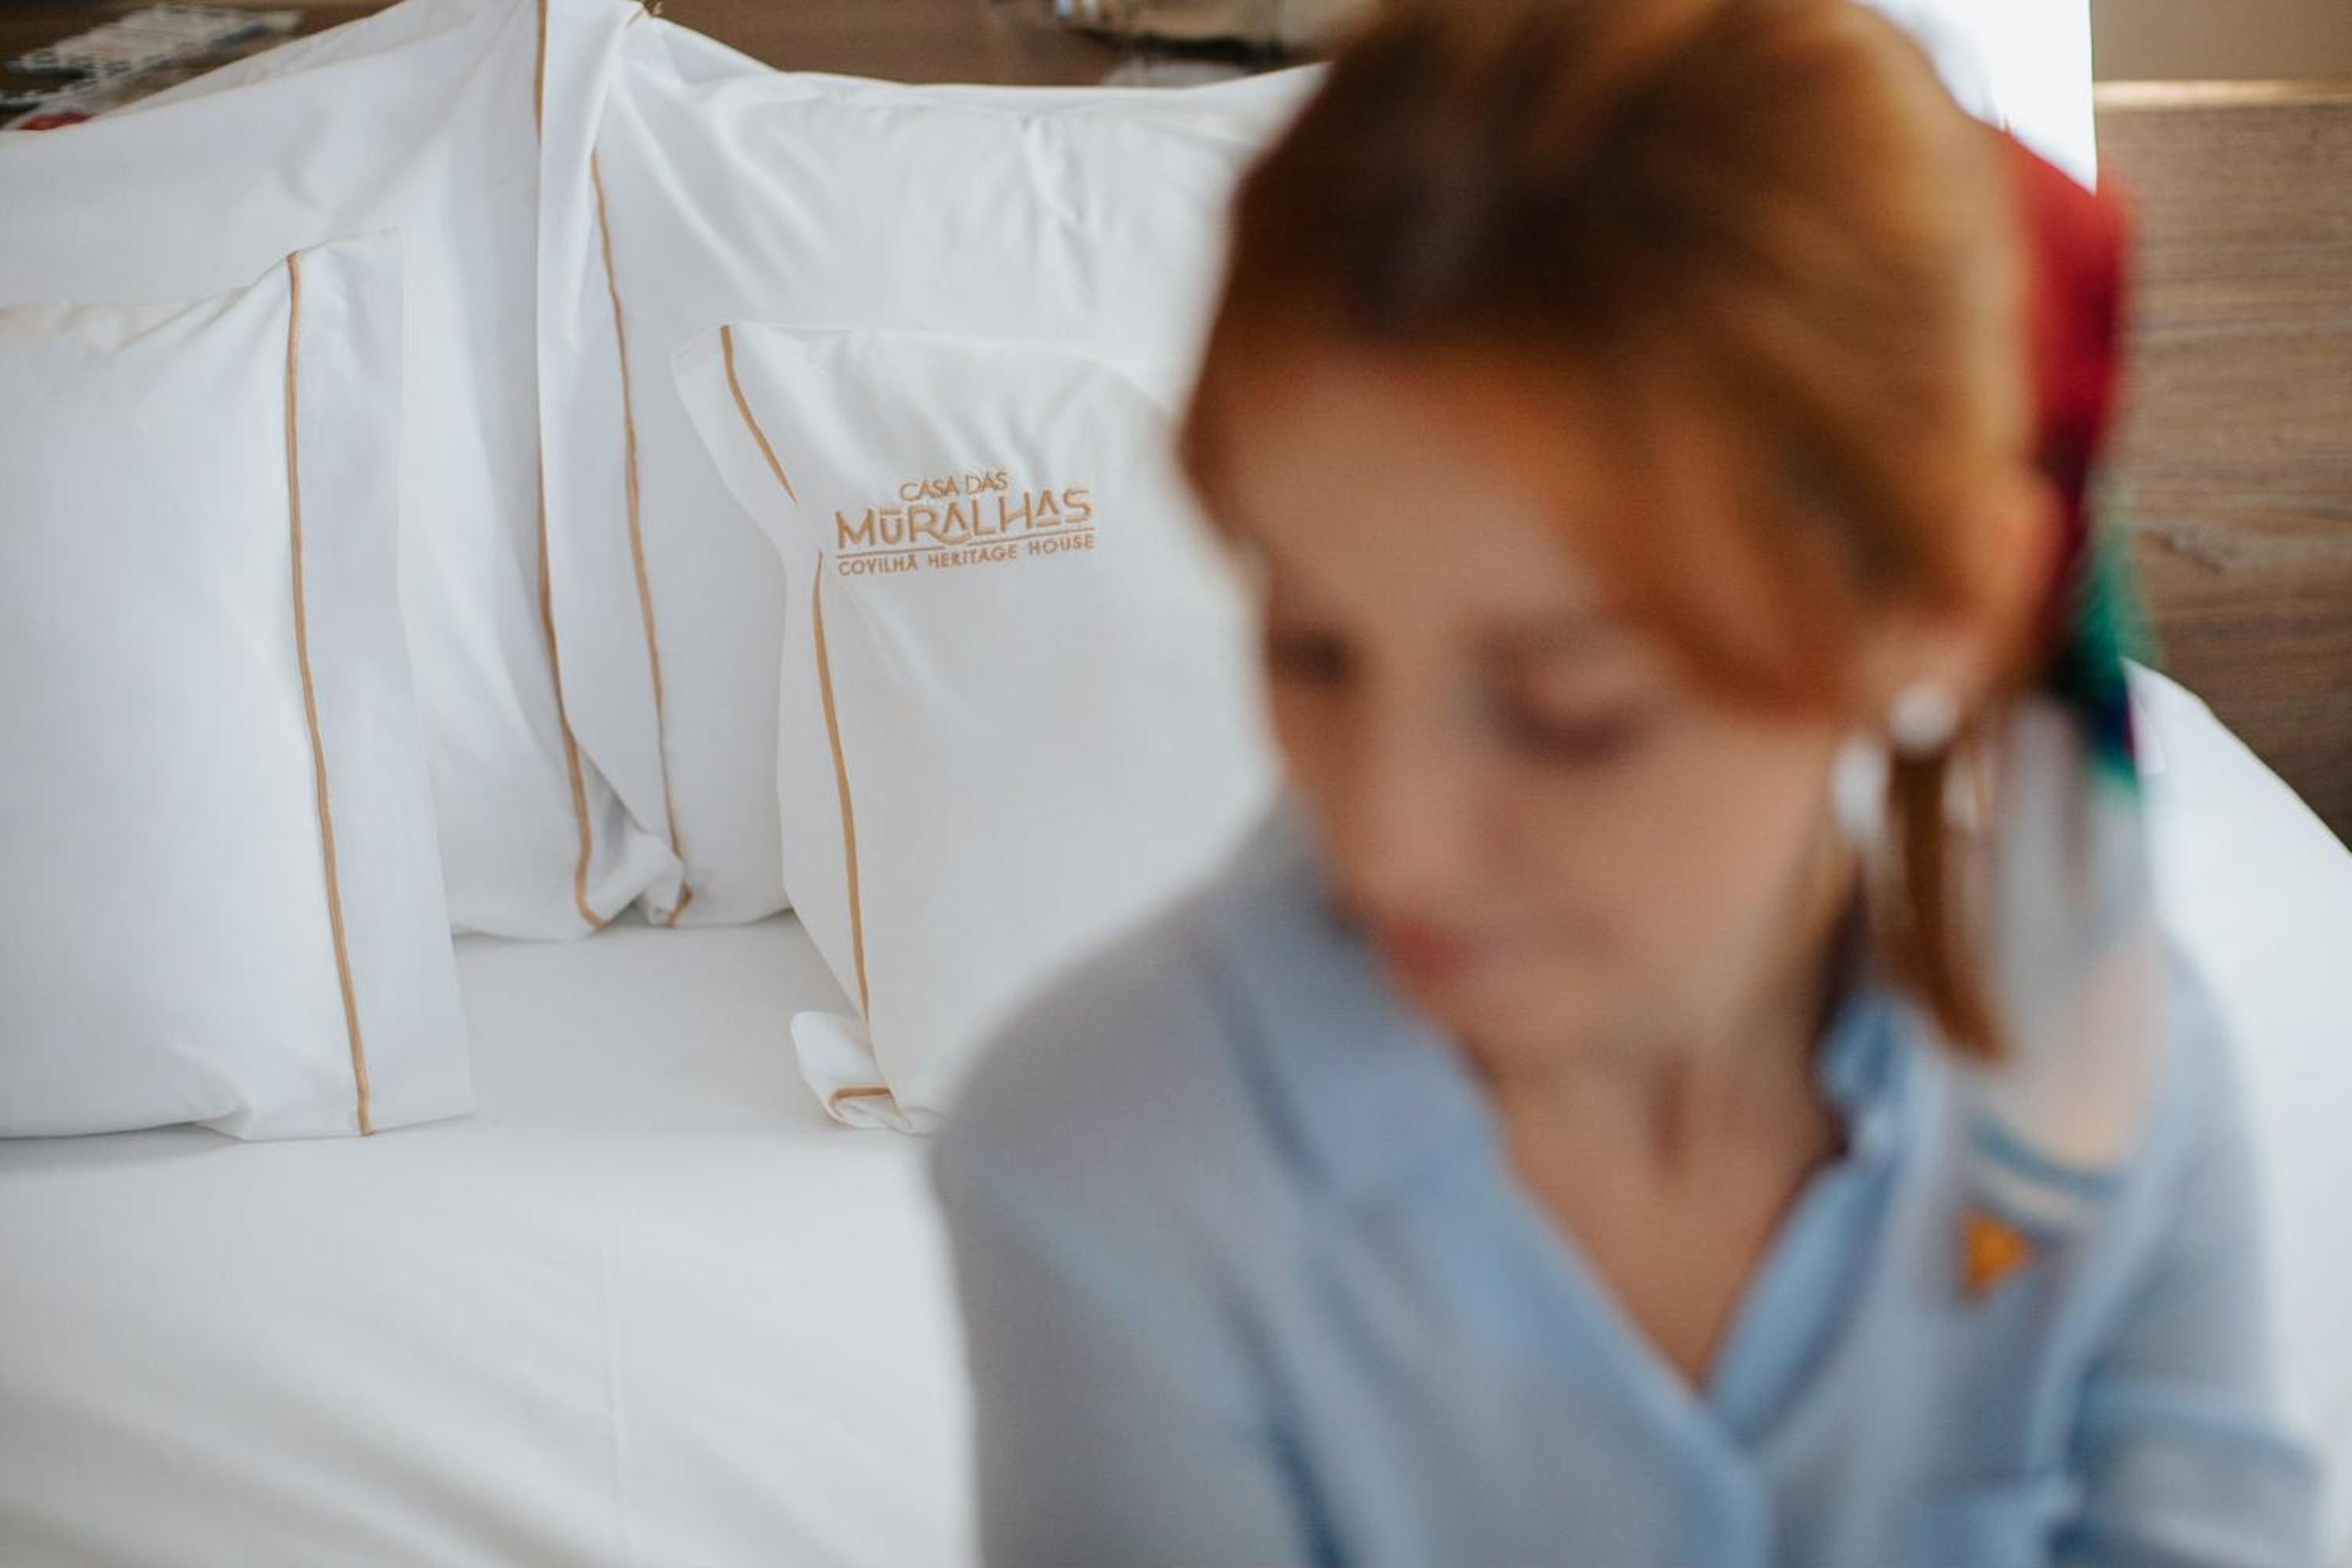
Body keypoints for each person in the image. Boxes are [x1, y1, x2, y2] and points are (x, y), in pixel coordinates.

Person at [930, 0, 2322, 1562]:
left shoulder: (2120, 1071)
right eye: (1310, 649)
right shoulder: (1105, 1159)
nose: (1390, 840)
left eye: (1566, 710)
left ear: (1937, 612)